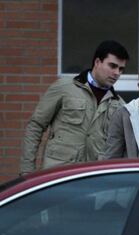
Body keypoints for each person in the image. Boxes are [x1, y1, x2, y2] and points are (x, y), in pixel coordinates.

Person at [20, 40, 129, 174]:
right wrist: (26, 171)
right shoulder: (64, 87)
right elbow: (35, 126)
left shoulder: (119, 105)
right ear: (97, 62)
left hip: (92, 181)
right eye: (112, 66)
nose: (117, 73)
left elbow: (120, 149)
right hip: (56, 175)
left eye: (121, 69)